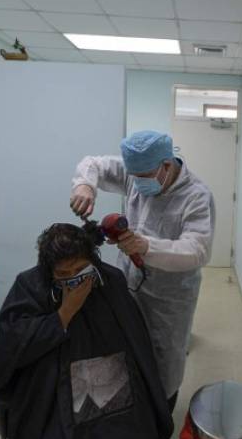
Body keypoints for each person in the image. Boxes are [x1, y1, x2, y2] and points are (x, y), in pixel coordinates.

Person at [0, 223, 173, 439]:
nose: (74, 278)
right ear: (49, 270)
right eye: (64, 274)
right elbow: (12, 346)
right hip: (54, 385)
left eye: (81, 269)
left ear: (93, 261)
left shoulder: (110, 279)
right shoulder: (30, 286)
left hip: (116, 379)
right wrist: (64, 313)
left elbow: (135, 339)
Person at [70, 130, 215, 411]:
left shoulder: (196, 196)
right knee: (127, 345)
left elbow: (197, 250)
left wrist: (146, 246)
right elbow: (93, 163)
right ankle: (131, 409)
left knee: (164, 359)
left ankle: (161, 413)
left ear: (167, 165)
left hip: (169, 297)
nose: (137, 183)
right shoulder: (138, 173)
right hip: (130, 281)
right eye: (133, 177)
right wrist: (85, 185)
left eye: (144, 177)